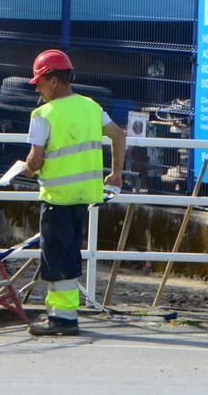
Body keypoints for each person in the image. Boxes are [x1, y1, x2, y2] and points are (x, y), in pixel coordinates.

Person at [20, 49, 126, 336]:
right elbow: (118, 134)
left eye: (39, 82)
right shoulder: (91, 107)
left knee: (55, 258)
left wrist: (25, 169)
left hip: (57, 198)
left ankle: (63, 318)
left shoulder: (43, 114)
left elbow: (35, 160)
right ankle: (61, 314)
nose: (38, 89)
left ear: (54, 80)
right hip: (84, 197)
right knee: (69, 255)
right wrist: (116, 173)